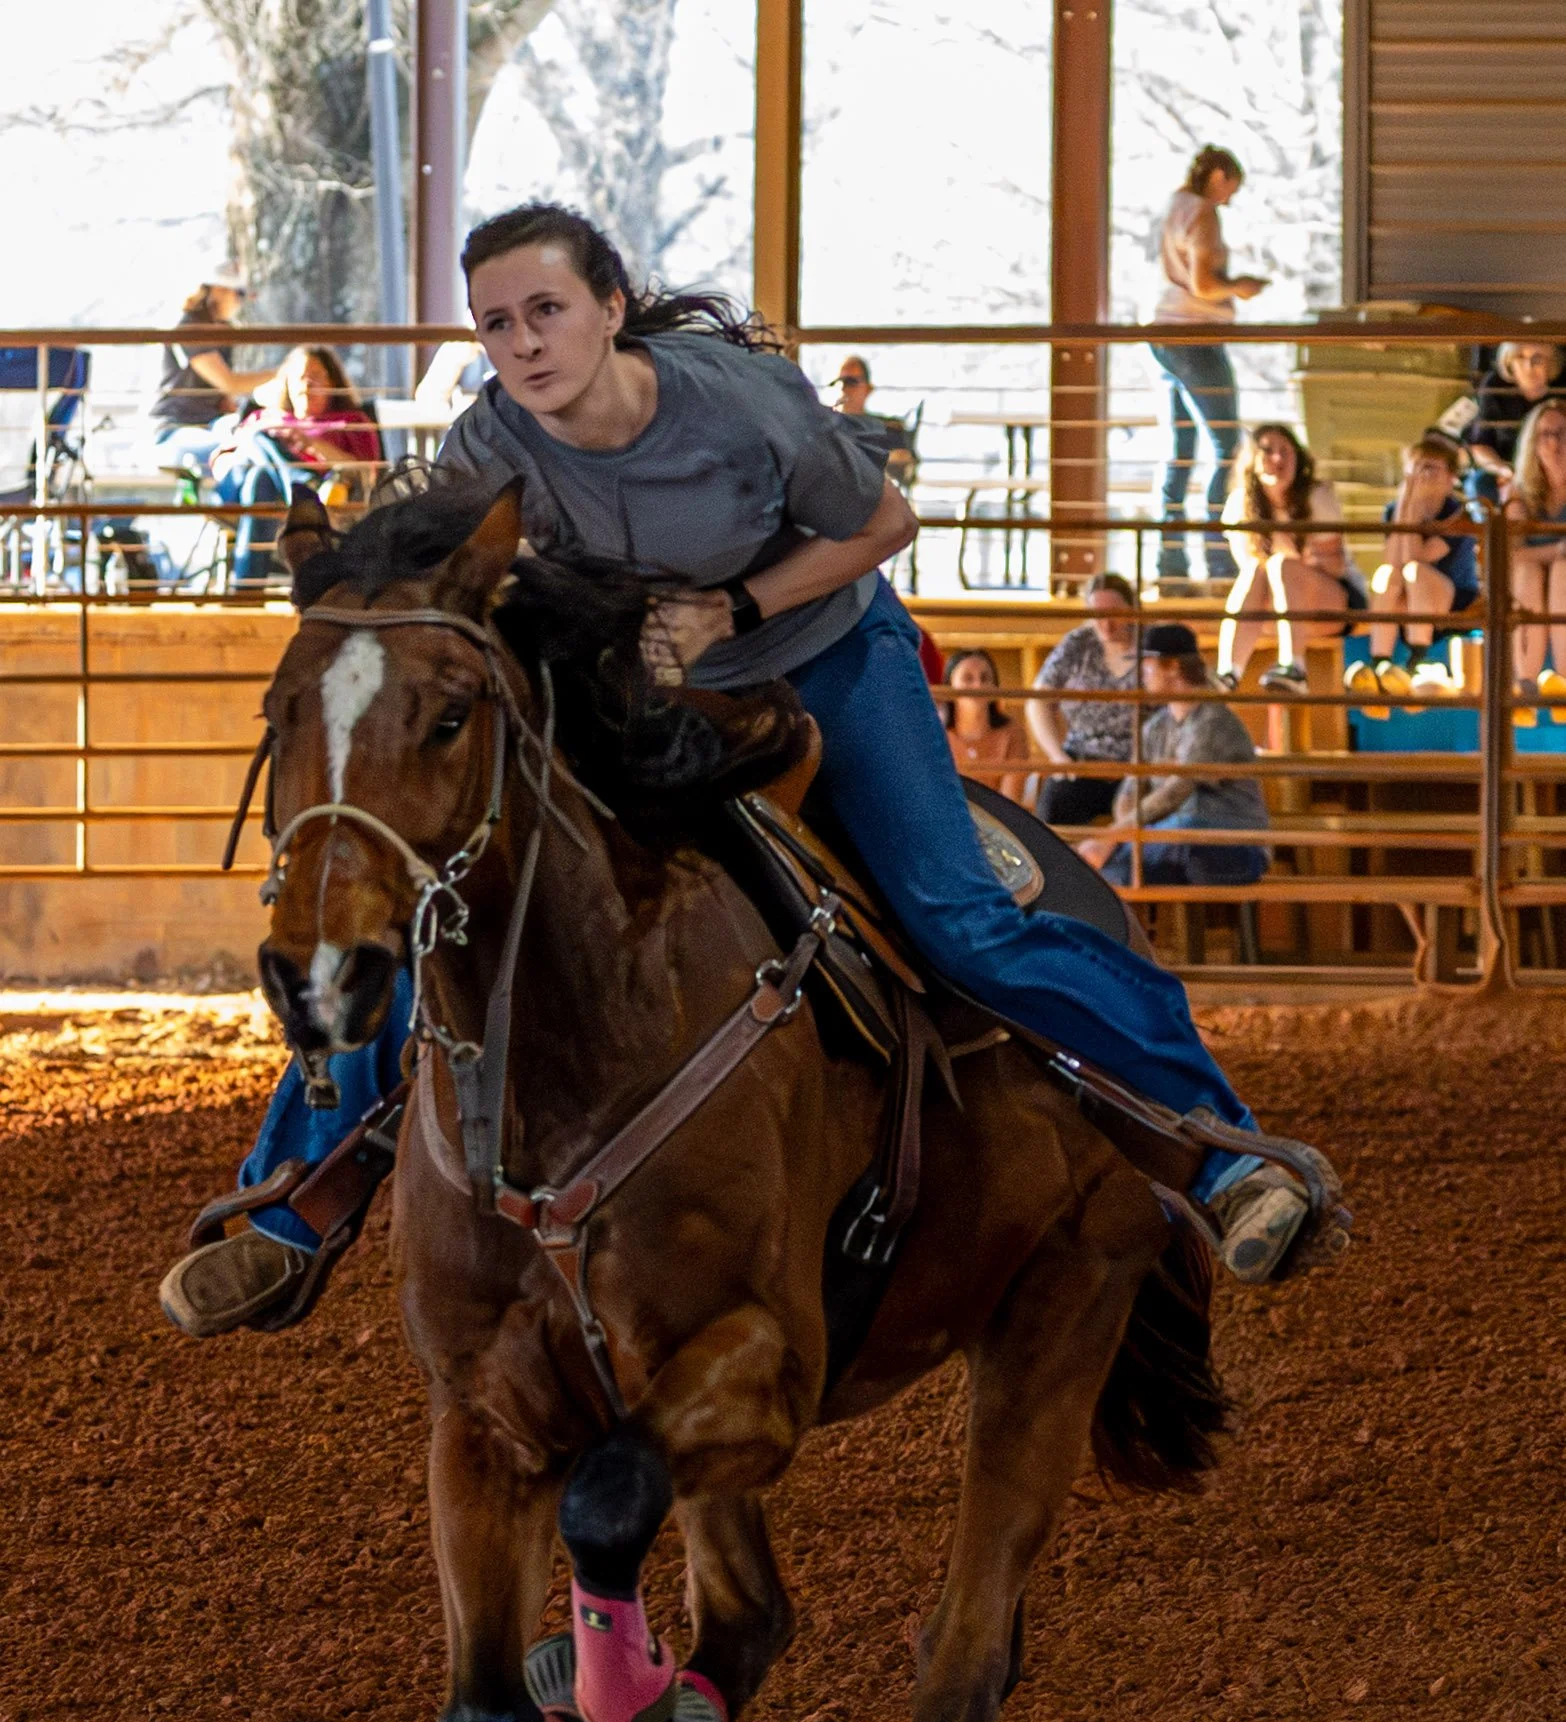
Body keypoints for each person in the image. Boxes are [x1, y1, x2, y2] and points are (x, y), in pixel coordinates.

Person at [161, 200, 1340, 1339]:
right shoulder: (489, 443)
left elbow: (884, 525)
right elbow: (433, 572)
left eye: (547, 310)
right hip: (637, 689)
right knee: (453, 900)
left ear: (611, 306)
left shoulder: (740, 405)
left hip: (824, 654)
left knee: (959, 916)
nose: (522, 343)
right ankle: (295, 1207)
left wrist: (735, 604)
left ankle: (1225, 1148)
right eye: (497, 324)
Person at [1145, 147, 1270, 587]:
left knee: (1180, 451)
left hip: (1165, 333)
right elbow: (1203, 284)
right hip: (1196, 336)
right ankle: (1220, 557)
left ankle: (1170, 562)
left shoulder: (1175, 206)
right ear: (1218, 175)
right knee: (1228, 448)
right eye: (1230, 187)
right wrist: (1241, 287)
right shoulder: (1202, 214)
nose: (1230, 199)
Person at [1086, 623, 1270, 888]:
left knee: (1183, 830)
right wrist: (1123, 835)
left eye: (1147, 664)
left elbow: (1174, 792)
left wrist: (1113, 837)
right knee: (1112, 868)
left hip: (1234, 845)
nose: (1141, 673)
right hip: (1175, 837)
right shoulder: (1155, 726)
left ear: (1172, 666)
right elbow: (1129, 793)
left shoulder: (1213, 720)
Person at [1216, 421, 1368, 694]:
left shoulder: (1316, 497)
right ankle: (1228, 673)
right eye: (1268, 450)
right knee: (1257, 570)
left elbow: (1334, 566)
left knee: (1280, 564)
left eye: (1286, 451)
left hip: (1332, 602)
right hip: (1274, 610)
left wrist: (1292, 559)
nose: (1278, 458)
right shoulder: (1239, 504)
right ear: (1252, 459)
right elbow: (1247, 567)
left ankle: (1293, 666)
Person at [211, 346, 381, 583]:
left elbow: (366, 472)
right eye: (300, 377)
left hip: (318, 496)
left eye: (316, 376)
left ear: (333, 382)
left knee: (260, 480)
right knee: (258, 440)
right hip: (247, 491)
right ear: (287, 383)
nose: (307, 384)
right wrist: (253, 450)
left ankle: (247, 589)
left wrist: (309, 443)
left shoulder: (350, 421)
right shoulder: (265, 418)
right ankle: (301, 483)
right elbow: (220, 462)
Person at [1343, 432, 1479, 706]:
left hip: (1448, 600)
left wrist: (1413, 512)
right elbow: (1394, 561)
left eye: (1431, 467)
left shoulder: (1457, 514)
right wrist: (1407, 506)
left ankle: (1419, 655)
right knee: (1388, 575)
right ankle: (1380, 661)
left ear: (1450, 476)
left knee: (1414, 571)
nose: (1423, 475)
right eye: (1417, 467)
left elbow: (1416, 558)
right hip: (1408, 600)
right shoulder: (1395, 510)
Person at [1027, 573, 1143, 826]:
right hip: (1081, 762)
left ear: (1131, 609)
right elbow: (1038, 700)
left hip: (1138, 766)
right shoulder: (1079, 643)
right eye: (1097, 614)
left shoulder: (1149, 645)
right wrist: (1057, 756)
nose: (1106, 624)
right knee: (1053, 809)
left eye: (1114, 612)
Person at [142, 269, 275, 478]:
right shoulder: (190, 329)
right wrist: (284, 373)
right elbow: (229, 383)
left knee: (257, 439)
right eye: (238, 295)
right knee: (233, 452)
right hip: (173, 428)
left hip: (211, 424)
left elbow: (225, 396)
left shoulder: (222, 332)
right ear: (218, 291)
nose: (240, 303)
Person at [1505, 397, 1566, 702]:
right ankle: (1526, 679)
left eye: (1562, 433)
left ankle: (1564, 679)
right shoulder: (1521, 491)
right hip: (1530, 584)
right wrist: (1559, 549)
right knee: (1528, 572)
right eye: (1546, 435)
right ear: (1533, 443)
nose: (1555, 443)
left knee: (1562, 573)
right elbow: (1513, 555)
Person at [1461, 341, 1566, 503]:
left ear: (1552, 363)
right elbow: (1480, 446)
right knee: (1478, 484)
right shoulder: (1495, 386)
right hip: (1508, 470)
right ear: (1509, 362)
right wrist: (1505, 471)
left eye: (1537, 359)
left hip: (1556, 469)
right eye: (1520, 357)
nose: (1528, 366)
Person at [940, 648, 1035, 805]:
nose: (978, 685)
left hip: (994, 825)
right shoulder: (936, 734)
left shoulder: (1013, 733)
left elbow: (1009, 805)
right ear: (949, 687)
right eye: (967, 678)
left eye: (985, 678)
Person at [832, 355, 915, 486]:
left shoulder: (888, 430)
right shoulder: (825, 429)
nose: (844, 389)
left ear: (868, 388)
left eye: (851, 382)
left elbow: (906, 469)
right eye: (840, 382)